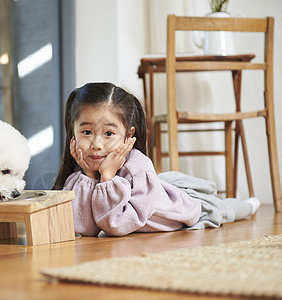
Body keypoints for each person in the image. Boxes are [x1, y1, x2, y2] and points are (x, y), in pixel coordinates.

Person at [53, 82, 259, 237]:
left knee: (225, 210)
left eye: (109, 134)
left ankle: (250, 205)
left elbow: (116, 225)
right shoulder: (81, 174)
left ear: (128, 135)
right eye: (87, 132)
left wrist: (107, 177)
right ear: (73, 133)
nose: (96, 144)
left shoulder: (138, 168)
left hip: (191, 209)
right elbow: (85, 227)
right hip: (161, 195)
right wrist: (89, 175)